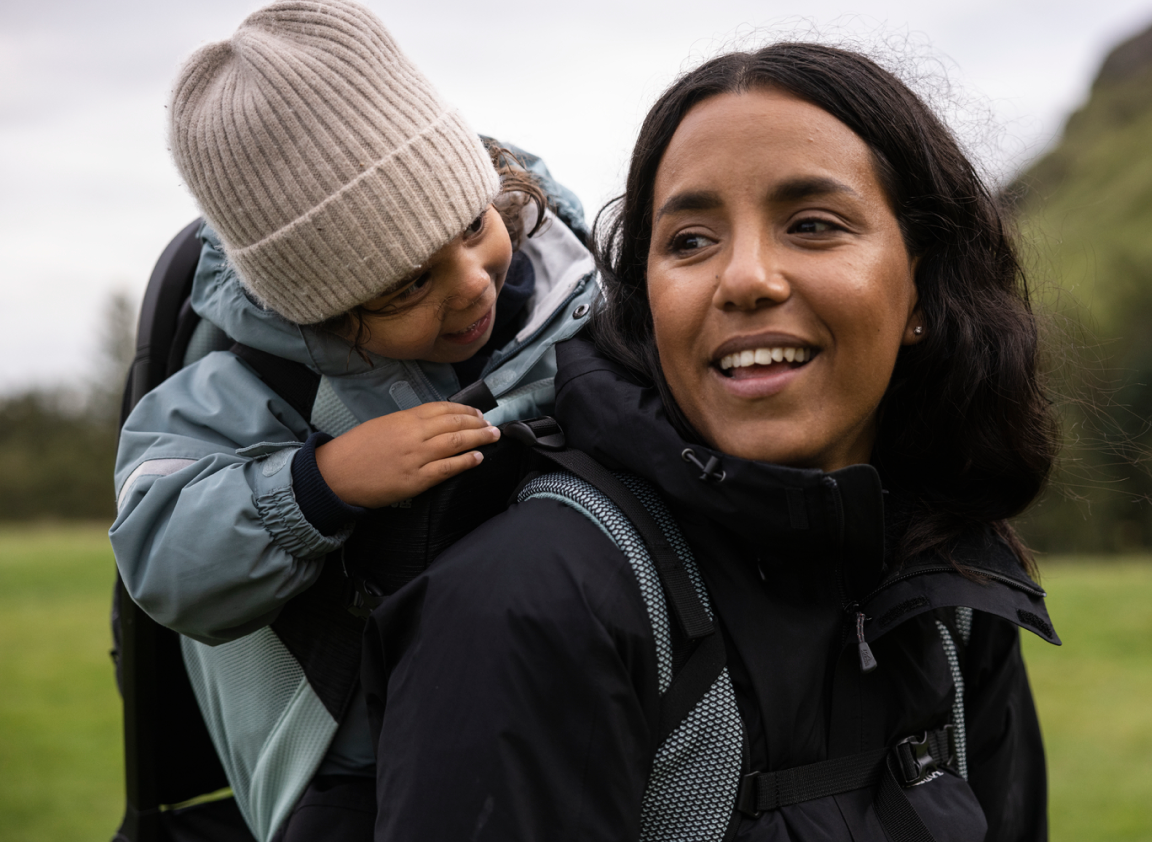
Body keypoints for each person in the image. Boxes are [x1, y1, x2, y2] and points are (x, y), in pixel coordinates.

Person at [365, 42, 1060, 841]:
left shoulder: (945, 572)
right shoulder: (529, 599)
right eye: (690, 241)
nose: (745, 278)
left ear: (922, 292)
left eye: (812, 225)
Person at [109, 1, 595, 840]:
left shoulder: (587, 298)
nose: (471, 284)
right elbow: (162, 554)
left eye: (472, 224)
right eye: (408, 285)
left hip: (582, 724)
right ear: (320, 309)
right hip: (362, 779)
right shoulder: (251, 383)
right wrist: (320, 484)